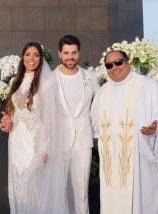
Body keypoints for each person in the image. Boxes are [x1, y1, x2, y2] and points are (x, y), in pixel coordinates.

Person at [90, 50, 158, 214]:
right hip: (112, 160)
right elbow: (95, 123)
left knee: (139, 200)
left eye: (118, 62)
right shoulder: (103, 91)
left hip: (139, 156)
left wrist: (157, 126)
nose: (114, 67)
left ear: (127, 62)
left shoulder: (146, 85)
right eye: (109, 65)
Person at [0, 42, 57, 214]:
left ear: (41, 59)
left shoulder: (46, 84)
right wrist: (6, 122)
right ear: (22, 57)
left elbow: (50, 119)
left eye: (36, 55)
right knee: (19, 187)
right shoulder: (15, 82)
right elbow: (11, 112)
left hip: (36, 144)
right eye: (27, 54)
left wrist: (45, 148)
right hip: (17, 142)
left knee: (34, 186)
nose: (31, 58)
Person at [52, 35, 99, 214]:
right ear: (59, 54)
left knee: (81, 188)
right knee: (59, 188)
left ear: (79, 53)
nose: (70, 57)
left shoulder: (90, 77)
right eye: (66, 53)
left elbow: (102, 103)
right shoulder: (49, 79)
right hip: (59, 141)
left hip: (83, 140)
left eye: (74, 53)